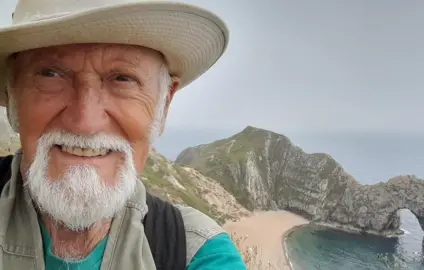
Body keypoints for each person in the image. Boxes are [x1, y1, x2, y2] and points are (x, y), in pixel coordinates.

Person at [0, 0, 246, 269]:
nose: (85, 122)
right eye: (50, 74)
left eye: (122, 79)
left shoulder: (197, 252)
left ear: (164, 104)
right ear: (13, 96)